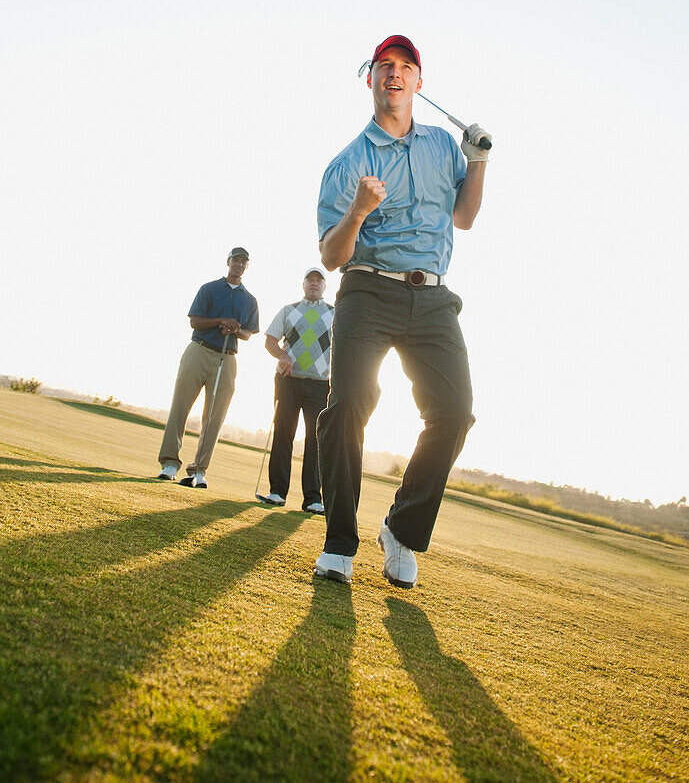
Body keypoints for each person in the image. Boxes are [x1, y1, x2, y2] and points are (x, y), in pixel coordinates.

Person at [313, 35, 491, 588]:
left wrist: (478, 161)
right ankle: (340, 541)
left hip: (433, 298)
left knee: (455, 411)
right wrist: (360, 211)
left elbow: (463, 217)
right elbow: (331, 255)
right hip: (368, 290)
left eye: (406, 67)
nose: (395, 73)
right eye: (385, 65)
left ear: (419, 83)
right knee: (348, 403)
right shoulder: (348, 163)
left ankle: (401, 529)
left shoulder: (442, 145)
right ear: (370, 79)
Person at [157, 247, 259, 488]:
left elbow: (248, 333)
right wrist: (221, 320)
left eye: (244, 261)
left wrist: (235, 329)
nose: (240, 264)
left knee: (214, 416)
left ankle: (199, 470)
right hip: (199, 350)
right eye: (236, 260)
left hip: (228, 357)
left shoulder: (250, 299)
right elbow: (195, 321)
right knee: (180, 407)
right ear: (228, 262)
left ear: (247, 266)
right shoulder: (209, 288)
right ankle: (170, 464)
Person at [257, 268, 334, 514]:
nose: (314, 283)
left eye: (318, 280)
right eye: (310, 280)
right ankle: (277, 492)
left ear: (324, 287)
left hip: (320, 385)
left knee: (316, 441)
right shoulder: (289, 311)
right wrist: (282, 355)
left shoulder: (336, 314)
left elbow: (345, 348)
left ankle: (312, 498)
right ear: (303, 285)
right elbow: (270, 340)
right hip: (288, 381)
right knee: (283, 434)